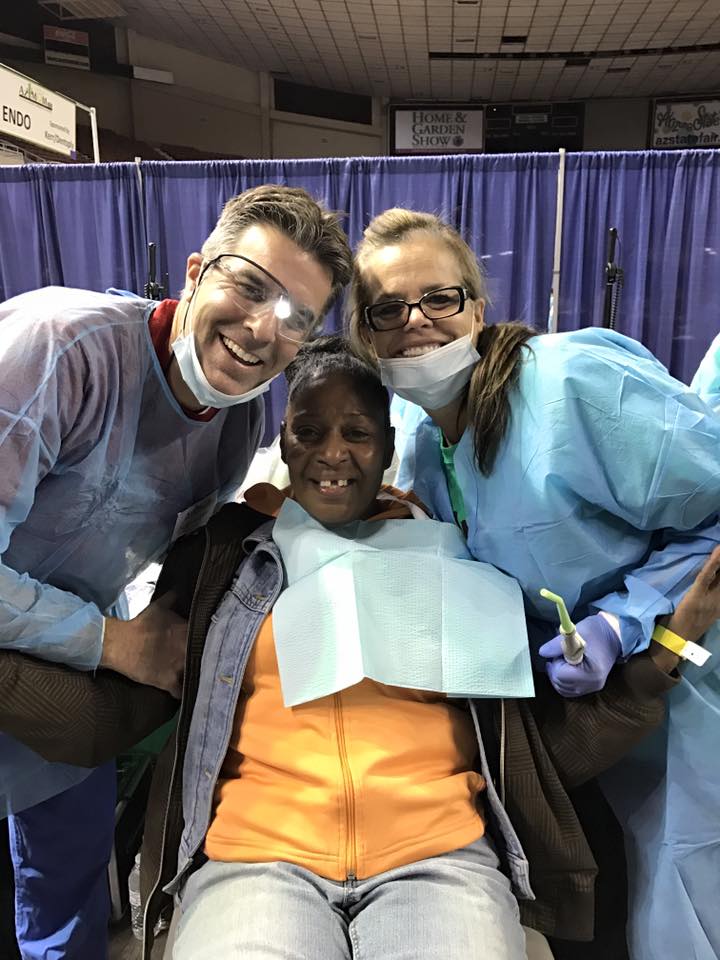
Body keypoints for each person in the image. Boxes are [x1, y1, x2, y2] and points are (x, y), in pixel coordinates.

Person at [2, 339, 719, 960]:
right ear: (283, 443)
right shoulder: (224, 556)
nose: (332, 453)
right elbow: (113, 713)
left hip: (439, 855)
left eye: (357, 432)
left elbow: (536, 751)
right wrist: (39, 662)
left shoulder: (458, 556)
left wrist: (665, 649)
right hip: (257, 856)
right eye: (308, 431)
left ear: (389, 448)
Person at [347, 208, 720, 958]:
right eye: (388, 309)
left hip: (687, 681)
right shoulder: (417, 437)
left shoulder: (574, 385)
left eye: (439, 298)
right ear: (366, 335)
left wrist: (624, 621)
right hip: (576, 721)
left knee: (683, 905)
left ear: (478, 308)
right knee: (609, 907)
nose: (415, 321)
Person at [0, 184, 352, 959]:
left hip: (57, 670)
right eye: (248, 286)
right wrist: (114, 643)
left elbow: (183, 561)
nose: (261, 328)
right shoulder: (61, 348)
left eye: (295, 317)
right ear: (195, 271)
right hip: (76, 641)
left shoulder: (237, 423)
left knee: (66, 890)